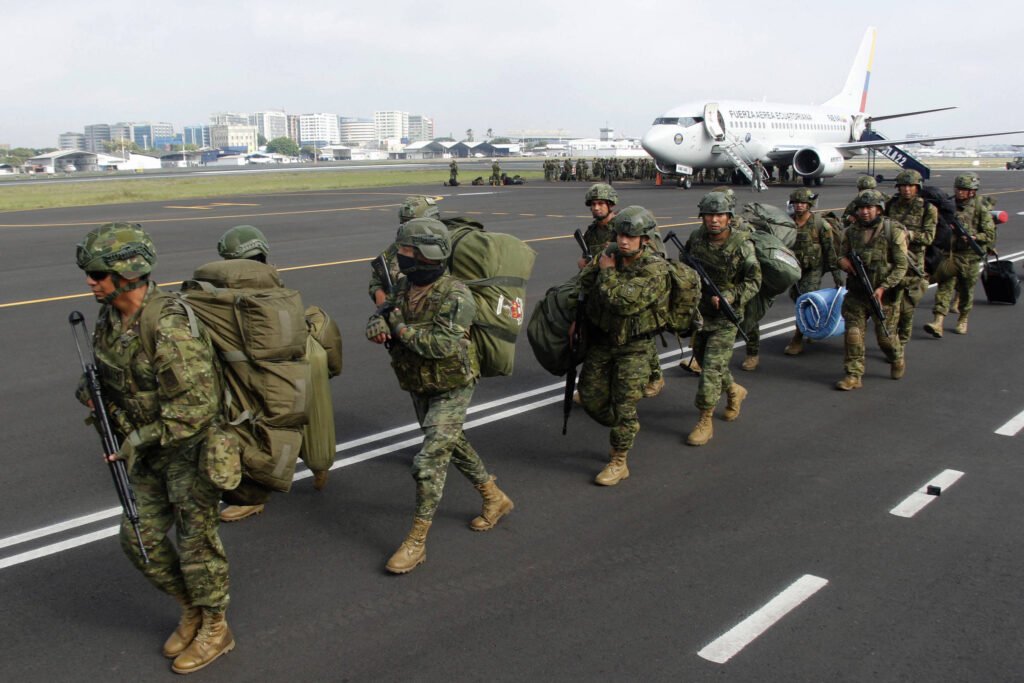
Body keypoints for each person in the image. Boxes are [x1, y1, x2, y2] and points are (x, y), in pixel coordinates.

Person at [75, 223, 235, 674]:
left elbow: (196, 409)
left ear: (128, 274)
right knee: (138, 540)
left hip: (191, 453)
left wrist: (135, 441)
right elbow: (117, 376)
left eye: (97, 274)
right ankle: (191, 608)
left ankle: (216, 627)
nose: (90, 281)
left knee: (196, 546)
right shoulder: (110, 318)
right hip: (148, 453)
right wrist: (92, 392)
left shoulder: (169, 326)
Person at [366, 218, 513, 574]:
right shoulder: (402, 286)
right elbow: (386, 313)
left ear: (424, 256)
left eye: (405, 252)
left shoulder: (456, 295)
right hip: (418, 381)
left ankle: (416, 541)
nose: (399, 258)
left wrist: (399, 327)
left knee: (429, 462)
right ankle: (495, 497)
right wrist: (378, 323)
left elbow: (441, 345)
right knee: (451, 442)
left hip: (451, 383)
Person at [576, 206, 671, 485]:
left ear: (645, 239)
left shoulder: (655, 268)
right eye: (620, 234)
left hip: (635, 347)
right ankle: (625, 426)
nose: (624, 240)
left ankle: (619, 459)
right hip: (604, 340)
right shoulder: (609, 256)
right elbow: (583, 283)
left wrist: (606, 272)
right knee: (590, 396)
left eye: (631, 236)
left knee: (624, 404)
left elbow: (623, 301)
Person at [684, 193, 761, 446]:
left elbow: (754, 281)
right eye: (709, 215)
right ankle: (733, 390)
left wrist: (731, 295)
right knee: (707, 362)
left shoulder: (742, 244)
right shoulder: (696, 239)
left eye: (719, 215)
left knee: (711, 372)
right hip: (701, 314)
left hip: (726, 318)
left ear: (729, 217)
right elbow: (685, 268)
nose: (714, 220)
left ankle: (705, 420)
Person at [578, 184, 665, 397]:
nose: (597, 208)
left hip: (629, 287)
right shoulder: (592, 232)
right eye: (594, 204)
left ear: (611, 205)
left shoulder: (628, 225)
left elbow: (650, 257)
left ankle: (654, 376)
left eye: (601, 204)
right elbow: (592, 259)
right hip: (604, 285)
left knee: (638, 335)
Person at [835, 190, 908, 390]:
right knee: (853, 334)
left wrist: (884, 287)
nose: (865, 212)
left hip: (884, 296)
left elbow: (902, 265)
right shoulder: (851, 231)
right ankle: (853, 374)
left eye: (869, 208)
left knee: (886, 339)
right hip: (858, 293)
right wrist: (843, 262)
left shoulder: (893, 231)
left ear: (879, 209)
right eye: (861, 208)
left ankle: (897, 357)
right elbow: (840, 254)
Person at [924, 173, 995, 337]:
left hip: (969, 257)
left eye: (964, 190)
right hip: (949, 254)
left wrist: (974, 237)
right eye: (958, 189)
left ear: (972, 192)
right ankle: (938, 321)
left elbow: (989, 234)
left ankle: (963, 318)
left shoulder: (979, 208)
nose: (960, 192)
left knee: (966, 290)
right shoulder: (948, 205)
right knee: (944, 286)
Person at [783, 188, 844, 355]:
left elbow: (830, 251)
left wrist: (836, 275)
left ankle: (797, 339)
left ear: (809, 204)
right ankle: (811, 326)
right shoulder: (788, 224)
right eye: (796, 203)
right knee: (796, 298)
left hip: (814, 269)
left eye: (803, 203)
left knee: (806, 299)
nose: (799, 206)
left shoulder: (820, 225)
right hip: (795, 269)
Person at [885, 170, 937, 346]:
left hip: (913, 262)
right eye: (903, 186)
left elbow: (929, 237)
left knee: (907, 306)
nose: (906, 189)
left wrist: (909, 235)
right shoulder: (891, 205)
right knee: (891, 303)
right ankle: (891, 338)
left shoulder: (927, 209)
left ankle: (903, 338)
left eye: (910, 186)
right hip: (891, 260)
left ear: (917, 187)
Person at [368, 196, 441, 308]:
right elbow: (377, 280)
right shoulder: (393, 251)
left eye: (412, 223)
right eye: (404, 223)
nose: (406, 228)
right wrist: (378, 293)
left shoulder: (444, 250)